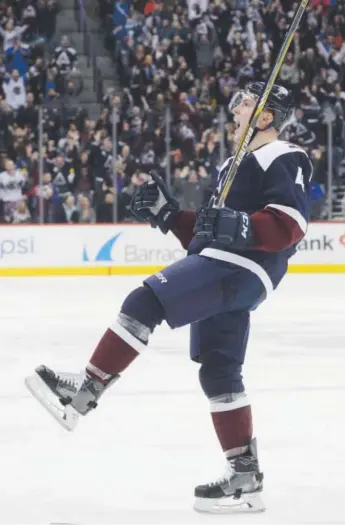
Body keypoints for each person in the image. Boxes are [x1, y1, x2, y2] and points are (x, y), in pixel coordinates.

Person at [25, 83, 313, 514]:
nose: (237, 108)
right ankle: (244, 480)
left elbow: (288, 224)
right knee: (219, 372)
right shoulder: (233, 163)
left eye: (249, 104)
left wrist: (240, 227)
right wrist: (172, 216)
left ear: (266, 117)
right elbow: (211, 232)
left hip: (242, 268)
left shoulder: (282, 154)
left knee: (145, 301)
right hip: (224, 265)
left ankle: (82, 393)